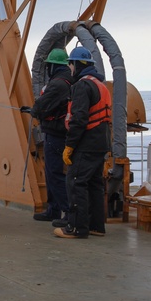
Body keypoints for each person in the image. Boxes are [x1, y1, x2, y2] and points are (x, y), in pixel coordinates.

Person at [54, 47, 111, 240]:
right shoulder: (101, 85)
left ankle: (77, 227)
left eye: (71, 64)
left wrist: (69, 146)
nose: (70, 68)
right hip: (101, 143)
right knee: (94, 185)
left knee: (76, 183)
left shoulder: (81, 86)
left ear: (76, 64)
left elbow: (79, 119)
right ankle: (96, 226)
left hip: (85, 143)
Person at [25, 48, 72, 227]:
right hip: (61, 132)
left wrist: (34, 111)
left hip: (56, 134)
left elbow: (41, 107)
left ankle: (66, 212)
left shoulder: (58, 84)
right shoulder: (69, 81)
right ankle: (53, 209)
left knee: (55, 173)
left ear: (53, 66)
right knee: (52, 173)